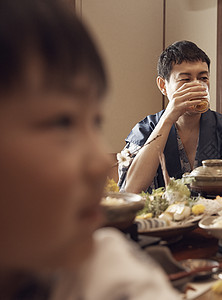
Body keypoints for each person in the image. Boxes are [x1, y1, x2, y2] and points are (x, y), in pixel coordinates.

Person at [0, 1, 180, 299]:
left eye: (95, 121)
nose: (99, 162)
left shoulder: (102, 268)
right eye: (61, 122)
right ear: (163, 86)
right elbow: (131, 186)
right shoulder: (149, 127)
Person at [118, 40, 222, 203]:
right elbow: (130, 190)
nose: (197, 85)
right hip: (160, 224)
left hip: (219, 224)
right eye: (185, 80)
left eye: (203, 78)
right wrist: (168, 117)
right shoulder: (145, 131)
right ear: (163, 85)